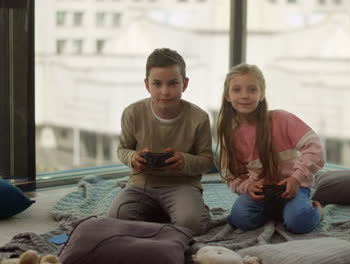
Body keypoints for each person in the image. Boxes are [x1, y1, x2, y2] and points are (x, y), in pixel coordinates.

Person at [107, 48, 214, 235]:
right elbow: (122, 149)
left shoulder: (199, 117)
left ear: (185, 84)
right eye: (157, 84)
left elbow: (206, 160)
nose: (165, 92)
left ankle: (184, 209)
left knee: (192, 224)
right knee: (116, 217)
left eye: (173, 83)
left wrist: (184, 160)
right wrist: (133, 157)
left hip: (182, 183)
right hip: (142, 183)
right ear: (147, 85)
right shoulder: (132, 113)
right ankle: (169, 210)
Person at [216, 63, 325, 234]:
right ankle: (280, 211)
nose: (244, 96)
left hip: (293, 187)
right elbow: (232, 175)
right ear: (227, 96)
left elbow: (315, 147)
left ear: (262, 94)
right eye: (237, 90)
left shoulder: (282, 119)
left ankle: (315, 211)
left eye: (252, 90)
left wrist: (296, 178)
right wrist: (247, 187)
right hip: (262, 192)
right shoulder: (230, 135)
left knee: (299, 223)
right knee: (240, 218)